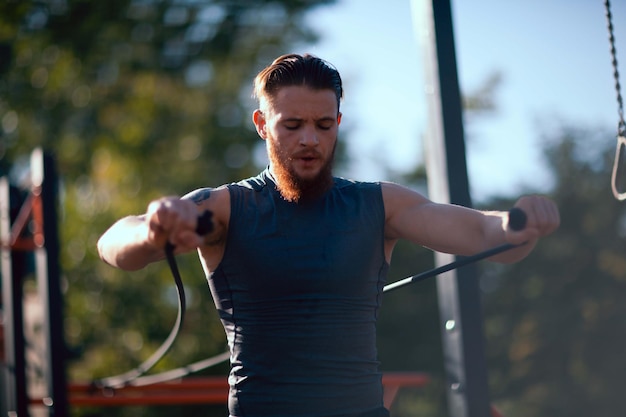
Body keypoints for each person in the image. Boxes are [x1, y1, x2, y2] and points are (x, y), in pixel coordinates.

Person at [97, 53, 560, 417]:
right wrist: (154, 226)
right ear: (262, 125)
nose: (309, 141)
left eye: (323, 125)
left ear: (338, 122)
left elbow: (485, 234)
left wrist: (519, 221)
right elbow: (113, 245)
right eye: (292, 125)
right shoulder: (228, 207)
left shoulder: (379, 204)